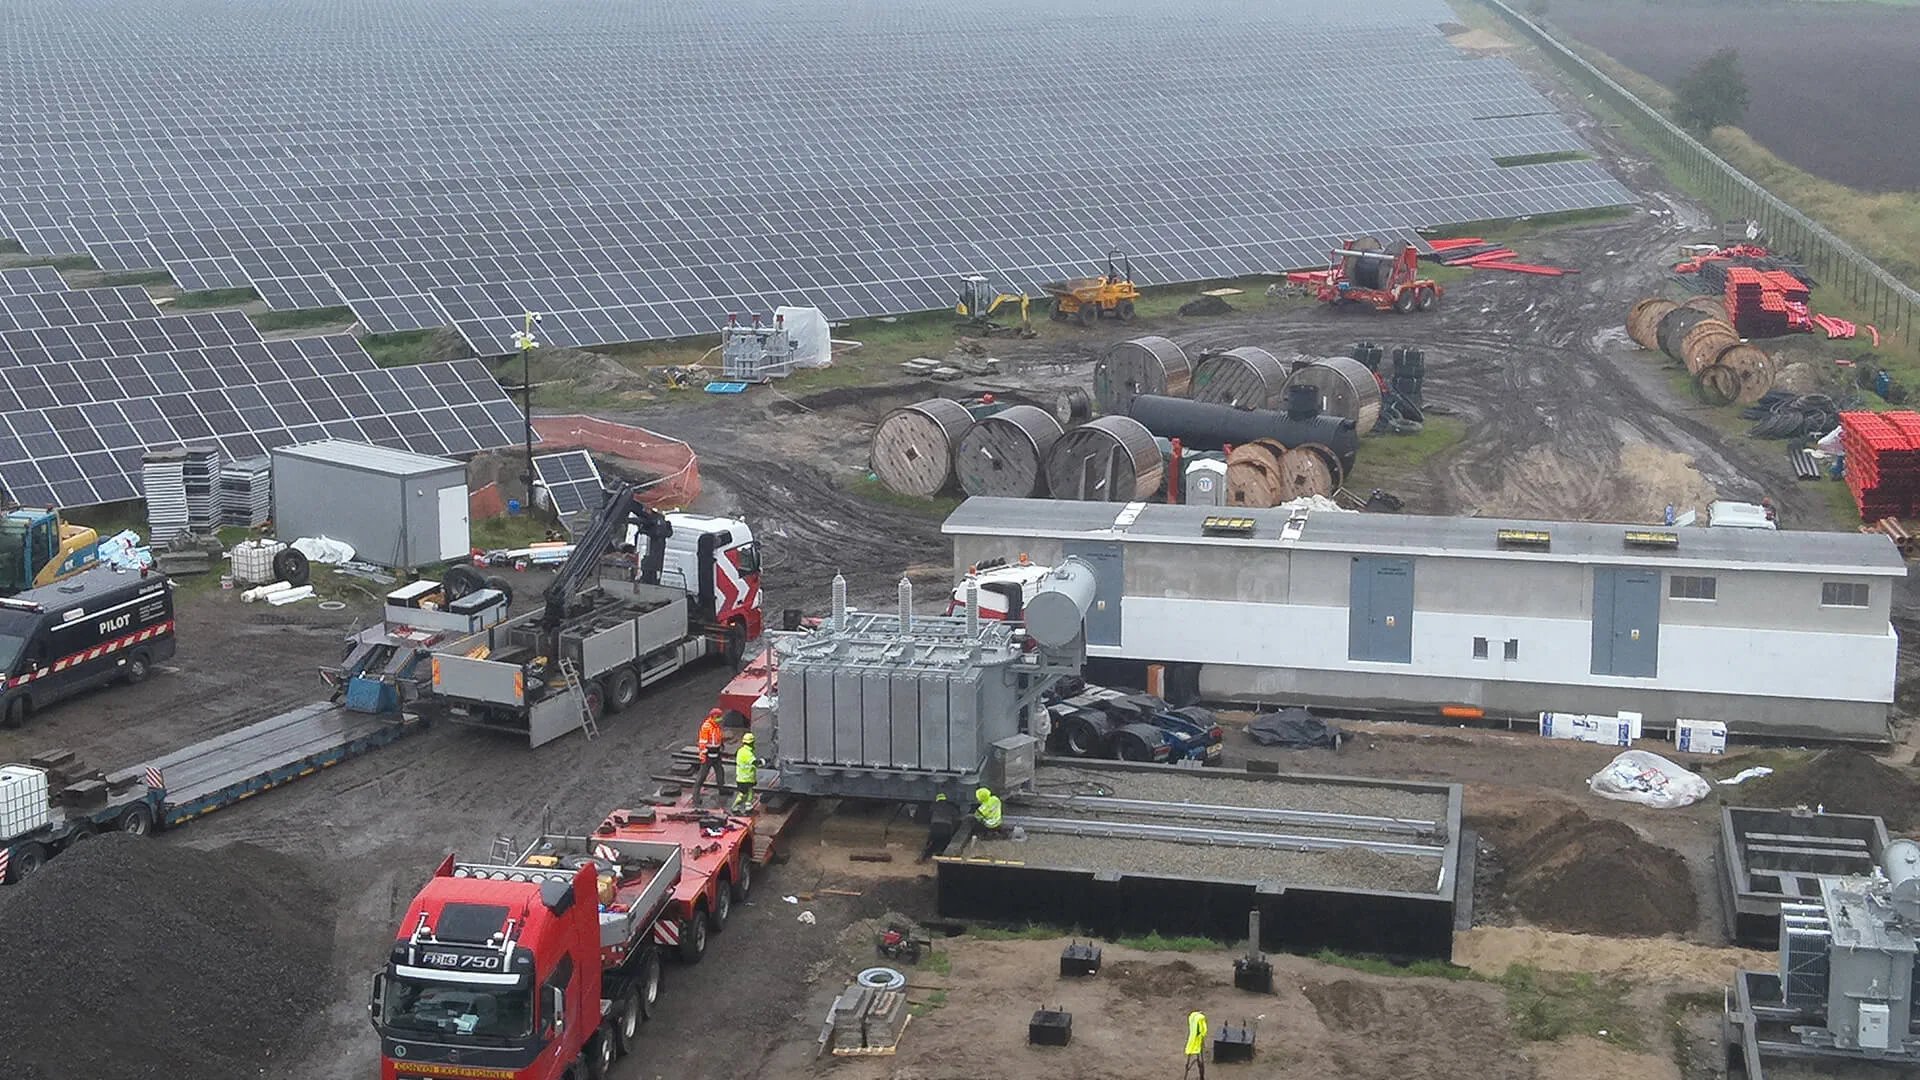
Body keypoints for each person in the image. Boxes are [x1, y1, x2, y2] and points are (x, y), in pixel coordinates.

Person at [689, 709, 727, 807]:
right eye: (718, 717)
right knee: (701, 777)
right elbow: (702, 743)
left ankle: (723, 791)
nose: (720, 719)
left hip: (716, 754)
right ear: (713, 716)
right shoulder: (706, 727)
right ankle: (696, 799)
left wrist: (721, 745)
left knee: (720, 773)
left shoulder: (716, 726)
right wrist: (704, 755)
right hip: (708, 756)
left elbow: (718, 737)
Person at [921, 792, 960, 860]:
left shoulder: (934, 805)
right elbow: (956, 815)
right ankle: (941, 856)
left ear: (937, 799)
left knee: (931, 842)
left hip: (935, 826)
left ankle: (924, 856)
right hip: (946, 826)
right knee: (945, 843)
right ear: (945, 799)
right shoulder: (950, 807)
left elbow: (928, 814)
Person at [731, 733, 763, 814]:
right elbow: (755, 763)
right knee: (743, 794)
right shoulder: (748, 753)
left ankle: (748, 806)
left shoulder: (741, 750)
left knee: (750, 792)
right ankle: (734, 807)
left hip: (745, 777)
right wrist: (763, 762)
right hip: (745, 778)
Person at [1183, 1010, 1208, 1080]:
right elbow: (1204, 1031)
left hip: (1195, 1041)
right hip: (1196, 1041)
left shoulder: (1194, 1018)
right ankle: (1201, 1075)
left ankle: (1201, 1075)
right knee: (1200, 1059)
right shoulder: (1199, 1020)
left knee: (1199, 1059)